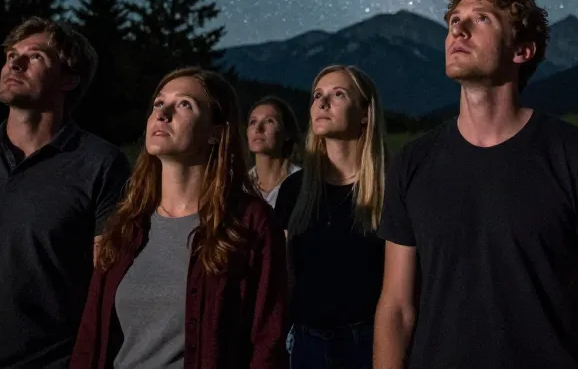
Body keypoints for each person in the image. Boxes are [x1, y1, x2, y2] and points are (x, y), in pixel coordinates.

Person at [375, 0, 578, 369]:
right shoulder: (413, 162)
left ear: (521, 51)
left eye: (481, 19)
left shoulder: (577, 155)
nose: (457, 29)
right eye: (453, 20)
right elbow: (395, 308)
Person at [0, 17, 131, 368]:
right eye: (10, 55)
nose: (14, 63)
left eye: (35, 57)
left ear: (68, 79)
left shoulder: (102, 164)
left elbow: (106, 287)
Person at [70, 67, 289, 369]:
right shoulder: (126, 224)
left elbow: (268, 341)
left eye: (184, 104)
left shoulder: (250, 222)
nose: (163, 113)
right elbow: (90, 336)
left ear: (216, 132)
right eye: (159, 103)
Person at [273, 65, 386, 369]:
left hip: (369, 343)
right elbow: (284, 275)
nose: (322, 103)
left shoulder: (389, 189)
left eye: (338, 95)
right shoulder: (295, 189)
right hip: (306, 343)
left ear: (365, 113)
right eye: (317, 96)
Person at [247, 96, 303, 208]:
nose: (258, 128)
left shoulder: (302, 183)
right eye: (253, 122)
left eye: (269, 121)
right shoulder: (240, 186)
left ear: (287, 133)